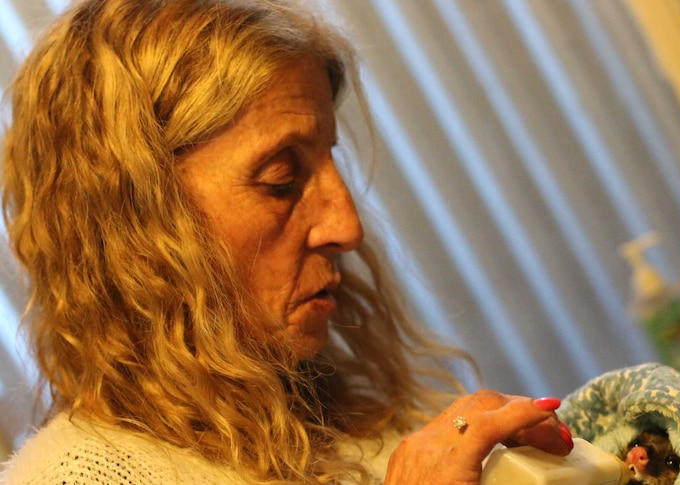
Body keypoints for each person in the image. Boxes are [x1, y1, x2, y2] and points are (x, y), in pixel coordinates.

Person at [0, 0, 574, 483]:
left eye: (330, 161)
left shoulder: (352, 425)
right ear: (134, 220)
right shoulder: (83, 476)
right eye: (282, 179)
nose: (347, 227)